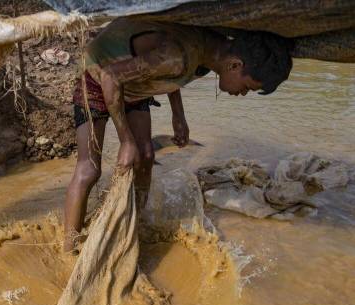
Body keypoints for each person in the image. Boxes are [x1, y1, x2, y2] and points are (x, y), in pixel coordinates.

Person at [64, 17, 293, 252]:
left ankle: (135, 225)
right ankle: (68, 247)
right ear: (234, 65)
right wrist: (125, 140)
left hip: (134, 85)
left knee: (146, 156)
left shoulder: (210, 50)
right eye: (247, 87)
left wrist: (178, 115)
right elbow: (110, 77)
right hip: (97, 77)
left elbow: (170, 72)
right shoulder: (178, 56)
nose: (243, 93)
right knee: (89, 169)